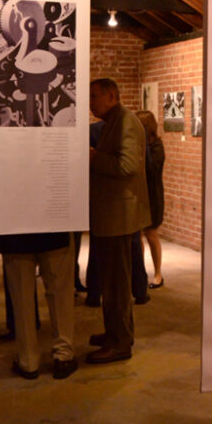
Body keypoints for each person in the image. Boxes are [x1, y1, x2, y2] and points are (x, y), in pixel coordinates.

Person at [87, 78, 150, 364]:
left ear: (112, 96)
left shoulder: (125, 121)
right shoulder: (114, 120)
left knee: (116, 284)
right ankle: (116, 333)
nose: (91, 102)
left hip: (119, 215)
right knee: (112, 281)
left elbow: (127, 166)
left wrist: (93, 157)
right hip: (111, 213)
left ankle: (120, 343)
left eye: (95, 97)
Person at [0, 232, 76, 380]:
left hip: (13, 232)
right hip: (55, 223)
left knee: (21, 297)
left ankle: (28, 361)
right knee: (60, 291)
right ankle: (64, 355)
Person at [136, 109, 165, 288]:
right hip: (139, 195)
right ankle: (139, 272)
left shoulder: (156, 147)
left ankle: (158, 274)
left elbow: (152, 171)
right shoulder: (138, 146)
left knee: (151, 233)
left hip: (153, 196)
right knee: (137, 235)